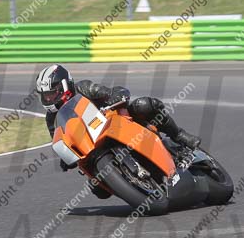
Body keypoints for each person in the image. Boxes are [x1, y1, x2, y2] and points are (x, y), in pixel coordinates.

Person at [36, 64, 201, 198]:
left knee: (144, 105)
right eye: (46, 96)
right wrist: (64, 158)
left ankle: (179, 135)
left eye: (52, 93)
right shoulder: (52, 119)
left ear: (65, 86)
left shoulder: (83, 88)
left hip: (116, 123)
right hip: (90, 147)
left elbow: (112, 92)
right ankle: (132, 184)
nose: (49, 98)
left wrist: (116, 96)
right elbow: (59, 139)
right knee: (97, 189)